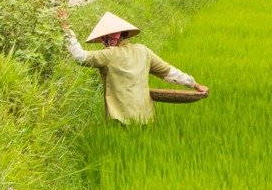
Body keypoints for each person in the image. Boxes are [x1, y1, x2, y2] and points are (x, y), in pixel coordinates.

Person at [58, 9, 208, 124]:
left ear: (108, 38)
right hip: (146, 117)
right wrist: (195, 85)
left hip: (120, 119)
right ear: (126, 34)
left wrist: (66, 30)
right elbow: (170, 73)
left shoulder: (109, 55)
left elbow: (80, 56)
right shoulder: (143, 51)